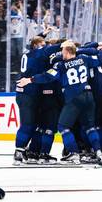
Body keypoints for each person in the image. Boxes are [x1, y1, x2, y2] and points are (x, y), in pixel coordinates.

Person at [17, 41, 102, 165]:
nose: (62, 53)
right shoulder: (84, 58)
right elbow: (100, 60)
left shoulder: (61, 65)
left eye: (63, 51)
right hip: (89, 96)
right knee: (90, 127)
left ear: (68, 51)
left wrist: (30, 80)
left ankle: (74, 154)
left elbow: (47, 76)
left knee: (62, 127)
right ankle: (99, 153)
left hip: (74, 98)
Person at [12, 36, 61, 164]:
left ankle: (26, 152)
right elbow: (47, 51)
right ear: (36, 46)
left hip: (27, 92)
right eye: (43, 44)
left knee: (34, 125)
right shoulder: (38, 53)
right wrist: (62, 44)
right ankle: (18, 153)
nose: (45, 47)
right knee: (28, 124)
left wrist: (42, 34)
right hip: (28, 92)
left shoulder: (30, 53)